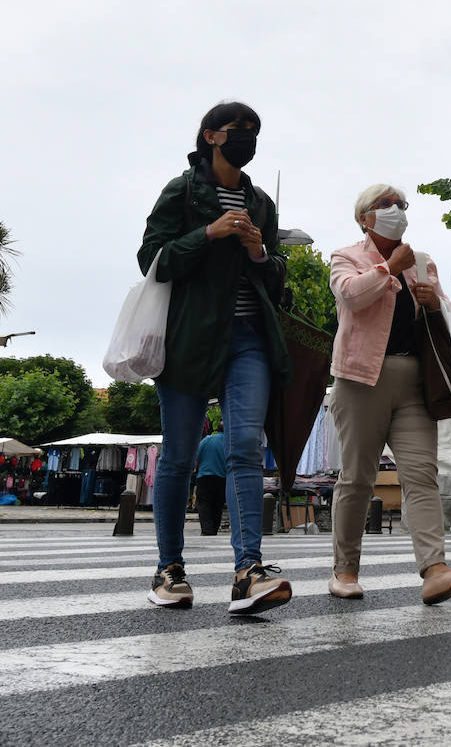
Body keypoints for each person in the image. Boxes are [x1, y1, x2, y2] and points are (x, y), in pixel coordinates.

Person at [137, 100, 292, 615]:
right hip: (189, 336)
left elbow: (275, 279)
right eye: (237, 130)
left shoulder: (262, 203)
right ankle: (169, 569)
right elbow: (152, 259)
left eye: (255, 130)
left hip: (248, 336)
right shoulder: (182, 191)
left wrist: (258, 252)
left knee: (245, 445)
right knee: (179, 454)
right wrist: (209, 233)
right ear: (210, 136)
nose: (247, 137)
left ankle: (249, 569)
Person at [326, 184, 451, 605]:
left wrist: (433, 304)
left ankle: (435, 570)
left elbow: (444, 316)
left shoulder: (423, 261)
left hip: (415, 381)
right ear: (365, 217)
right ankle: (344, 570)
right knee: (358, 478)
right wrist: (389, 269)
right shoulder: (346, 257)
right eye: (385, 204)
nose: (396, 210)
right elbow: (350, 296)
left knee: (420, 475)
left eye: (401, 204)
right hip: (360, 379)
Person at [193, 419, 226, 536]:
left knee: (204, 504)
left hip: (205, 477)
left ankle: (207, 530)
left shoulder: (207, 440)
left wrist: (196, 470)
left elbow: (196, 459)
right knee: (218, 505)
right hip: (222, 478)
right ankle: (214, 529)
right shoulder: (230, 443)